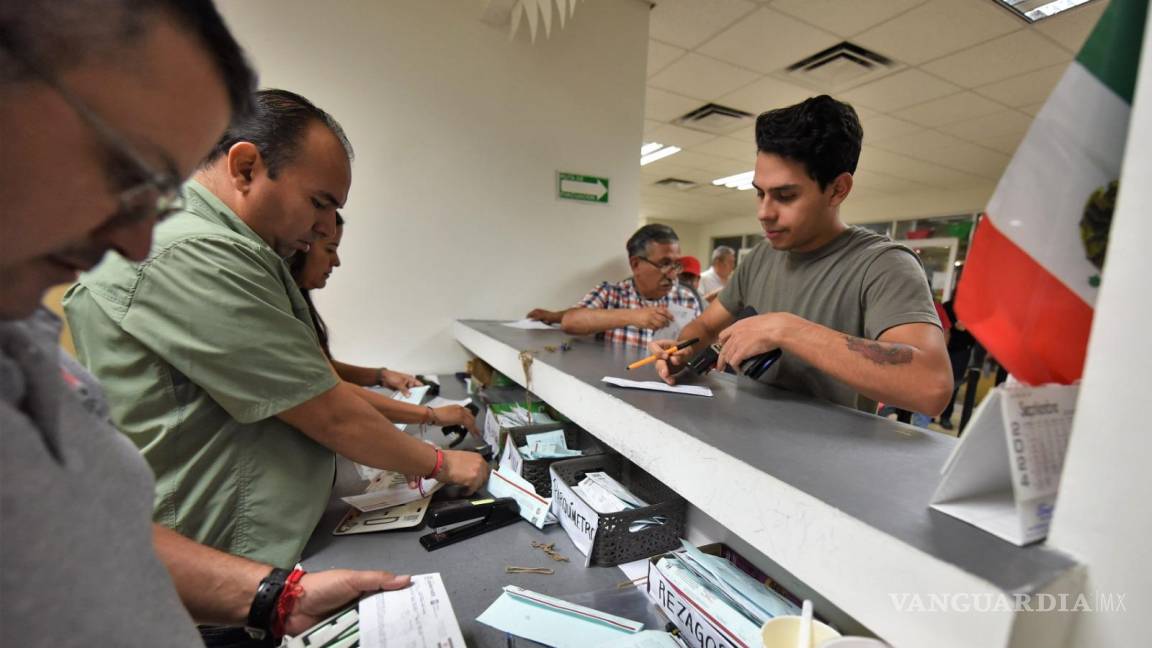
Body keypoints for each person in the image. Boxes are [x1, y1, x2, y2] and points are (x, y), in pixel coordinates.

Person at [0, 2, 411, 646]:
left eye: (159, 192)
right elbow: (321, 405)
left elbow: (97, 523)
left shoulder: (21, 337)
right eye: (123, 169)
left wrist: (274, 599)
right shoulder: (190, 250)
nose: (138, 241)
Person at [63, 89, 489, 577]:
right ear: (245, 168)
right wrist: (442, 464)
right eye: (319, 203)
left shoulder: (229, 247)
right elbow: (327, 409)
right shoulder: (191, 252)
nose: (324, 228)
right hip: (216, 563)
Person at [651, 96, 952, 414]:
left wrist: (787, 329)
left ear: (838, 189)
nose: (764, 213)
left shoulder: (884, 265)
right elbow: (704, 328)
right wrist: (681, 350)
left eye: (785, 195)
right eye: (759, 193)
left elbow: (932, 386)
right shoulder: (761, 257)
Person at [289, 212, 477, 430]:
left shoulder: (297, 302)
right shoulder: (283, 310)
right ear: (302, 247)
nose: (337, 261)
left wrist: (381, 376)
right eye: (330, 249)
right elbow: (331, 391)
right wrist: (429, 414)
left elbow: (322, 368)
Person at [560, 224, 702, 346]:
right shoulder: (611, 294)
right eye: (664, 264)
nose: (673, 275)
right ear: (635, 265)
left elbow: (699, 342)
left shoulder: (687, 299)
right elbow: (570, 321)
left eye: (676, 265)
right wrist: (632, 316)